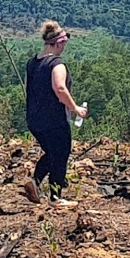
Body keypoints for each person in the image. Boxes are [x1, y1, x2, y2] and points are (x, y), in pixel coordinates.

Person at [21, 20, 86, 207]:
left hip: (34, 119)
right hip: (54, 120)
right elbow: (59, 88)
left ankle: (34, 182)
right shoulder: (57, 64)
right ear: (58, 43)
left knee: (51, 152)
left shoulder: (33, 63)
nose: (64, 48)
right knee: (61, 153)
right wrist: (76, 109)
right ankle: (56, 197)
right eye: (63, 44)